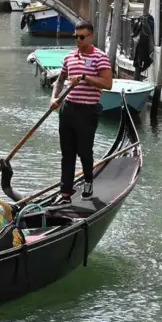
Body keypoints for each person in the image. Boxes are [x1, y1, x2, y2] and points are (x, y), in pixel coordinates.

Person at [50, 20, 112, 200]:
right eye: (76, 37)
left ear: (90, 37)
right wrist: (54, 98)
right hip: (68, 109)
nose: (78, 40)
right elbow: (60, 80)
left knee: (84, 151)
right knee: (67, 153)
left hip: (87, 111)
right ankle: (65, 191)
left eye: (82, 37)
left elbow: (107, 83)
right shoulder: (69, 57)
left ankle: (88, 182)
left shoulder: (100, 57)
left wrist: (85, 77)